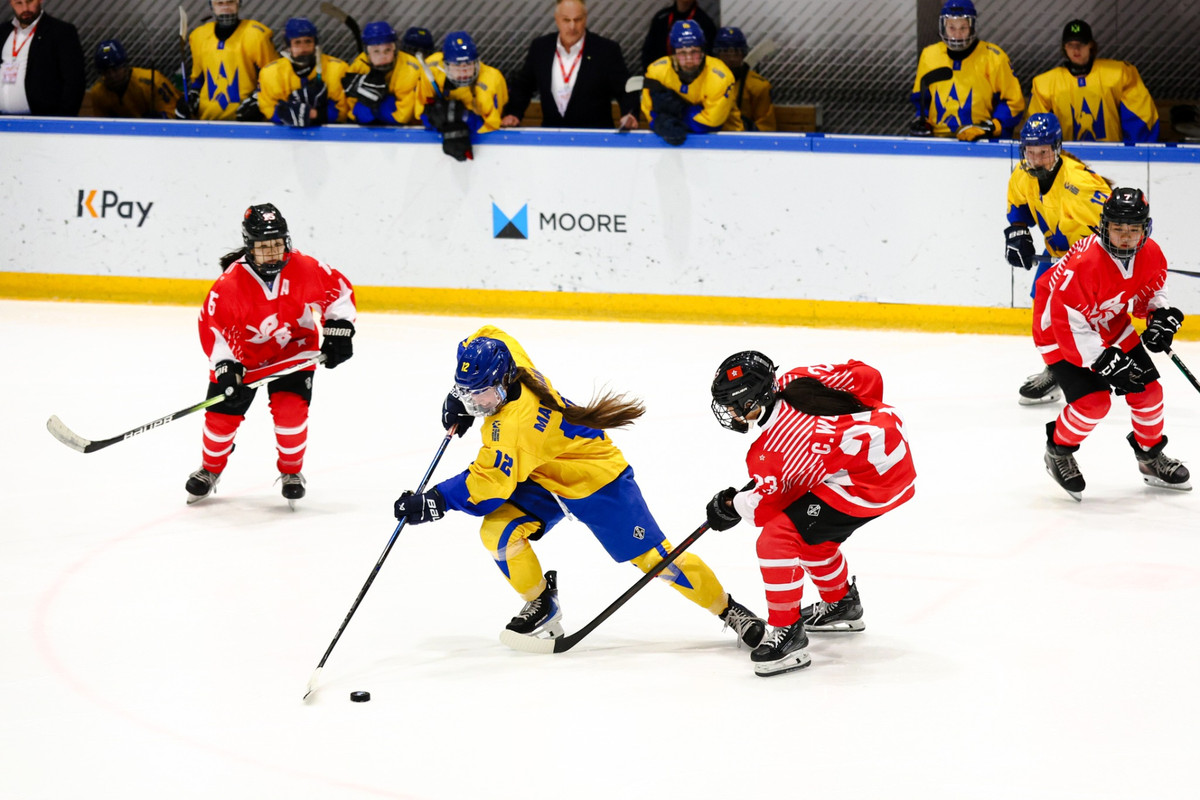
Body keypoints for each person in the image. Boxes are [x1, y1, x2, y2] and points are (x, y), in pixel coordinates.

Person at [392, 326, 767, 649]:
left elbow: (486, 486)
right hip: (543, 474)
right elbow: (489, 332)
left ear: (504, 382)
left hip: (597, 480)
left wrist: (435, 500)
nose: (476, 403)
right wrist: (460, 396)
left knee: (657, 561)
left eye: (482, 395)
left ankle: (730, 610)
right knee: (498, 534)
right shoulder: (510, 361)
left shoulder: (514, 428)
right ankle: (542, 604)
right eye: (469, 393)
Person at [704, 351, 916, 677]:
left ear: (750, 401)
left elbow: (763, 509)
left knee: (776, 539)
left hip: (869, 485)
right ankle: (842, 603)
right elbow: (868, 376)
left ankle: (788, 633)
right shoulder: (799, 377)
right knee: (811, 534)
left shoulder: (772, 450)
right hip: (888, 455)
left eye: (731, 403)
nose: (728, 410)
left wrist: (731, 505)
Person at [185, 204, 356, 507]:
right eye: (264, 247)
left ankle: (291, 472)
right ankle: (210, 469)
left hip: (293, 350)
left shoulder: (304, 267)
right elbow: (216, 330)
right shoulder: (229, 286)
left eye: (277, 244)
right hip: (244, 358)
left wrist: (339, 329)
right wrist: (226, 368)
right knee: (221, 418)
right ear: (249, 247)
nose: (273, 253)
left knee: (291, 412)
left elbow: (337, 293)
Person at [1033, 188, 1190, 500]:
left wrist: (1158, 318)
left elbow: (1151, 290)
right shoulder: (1084, 263)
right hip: (1060, 331)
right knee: (1094, 403)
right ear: (1104, 226)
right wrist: (1102, 360)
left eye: (1133, 229)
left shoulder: (1151, 252)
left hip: (1108, 321)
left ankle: (1150, 457)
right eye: (1118, 228)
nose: (1126, 237)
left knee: (1148, 392)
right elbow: (1066, 319)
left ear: (1145, 229)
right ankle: (1058, 451)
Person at [1005, 113, 1111, 405]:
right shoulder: (1023, 173)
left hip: (1091, 260)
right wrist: (1017, 232)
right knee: (1044, 317)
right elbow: (1018, 206)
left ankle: (1093, 370)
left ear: (1057, 148)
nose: (1036, 159)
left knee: (1078, 320)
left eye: (1043, 152)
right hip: (1056, 258)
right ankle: (1057, 371)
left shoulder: (1079, 183)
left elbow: (1122, 221)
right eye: (1030, 152)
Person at [500, 0, 638, 131]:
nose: (572, 26)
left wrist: (629, 114)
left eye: (578, 20)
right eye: (566, 20)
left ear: (585, 19)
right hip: (552, 137)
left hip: (595, 139)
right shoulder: (541, 48)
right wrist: (513, 114)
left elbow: (626, 89)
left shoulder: (605, 50)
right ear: (557, 19)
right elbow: (523, 87)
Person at [1028, 19, 1159, 145]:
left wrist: (1130, 154)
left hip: (1112, 156)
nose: (1076, 50)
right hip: (1066, 158)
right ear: (1064, 47)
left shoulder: (1120, 74)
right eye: (1070, 45)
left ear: (1091, 45)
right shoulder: (1045, 84)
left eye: (1081, 44)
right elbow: (1037, 130)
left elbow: (1141, 118)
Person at [909, 0, 1023, 141]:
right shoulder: (929, 55)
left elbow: (1013, 103)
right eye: (952, 27)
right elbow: (921, 99)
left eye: (963, 28)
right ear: (943, 26)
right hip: (937, 141)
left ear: (972, 27)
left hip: (981, 141)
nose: (957, 35)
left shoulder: (993, 57)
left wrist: (989, 128)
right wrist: (922, 121)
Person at [641, 20, 742, 147]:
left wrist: (676, 114)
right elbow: (648, 110)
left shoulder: (721, 76)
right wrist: (659, 123)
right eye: (682, 53)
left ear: (703, 52)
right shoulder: (656, 72)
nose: (689, 59)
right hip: (672, 140)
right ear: (673, 54)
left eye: (694, 52)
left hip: (728, 142)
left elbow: (712, 122)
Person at [415, 31, 508, 161]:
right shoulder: (432, 69)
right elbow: (421, 112)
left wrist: (466, 118)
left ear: (476, 63)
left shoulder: (491, 80)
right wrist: (434, 117)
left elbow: (493, 125)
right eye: (457, 66)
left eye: (468, 64)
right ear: (445, 65)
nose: (463, 72)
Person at [184, 0, 278, 120]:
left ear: (238, 3)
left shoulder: (257, 35)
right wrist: (194, 93)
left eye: (230, 2)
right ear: (212, 6)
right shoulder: (199, 36)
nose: (225, 7)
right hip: (207, 118)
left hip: (246, 120)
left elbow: (273, 78)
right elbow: (199, 77)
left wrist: (257, 99)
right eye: (220, 3)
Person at [257, 17, 348, 128]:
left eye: (308, 41)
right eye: (297, 42)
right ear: (288, 46)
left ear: (315, 43)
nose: (303, 48)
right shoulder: (270, 73)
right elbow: (268, 108)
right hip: (287, 133)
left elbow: (343, 110)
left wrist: (314, 114)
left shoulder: (338, 69)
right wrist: (287, 115)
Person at [0, 0, 84, 116]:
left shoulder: (61, 32)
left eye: (30, 1)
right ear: (11, 3)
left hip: (43, 120)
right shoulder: (3, 32)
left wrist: (62, 120)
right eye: (19, 3)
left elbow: (74, 81)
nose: (25, 8)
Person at [341, 20, 421, 126]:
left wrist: (378, 109)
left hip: (401, 121)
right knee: (363, 108)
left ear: (395, 50)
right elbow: (352, 111)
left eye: (387, 50)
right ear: (367, 53)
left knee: (388, 102)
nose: (382, 56)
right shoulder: (359, 65)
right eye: (376, 51)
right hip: (370, 120)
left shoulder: (410, 68)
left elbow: (403, 116)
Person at [82, 39, 179, 119]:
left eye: (115, 69)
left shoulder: (152, 81)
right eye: (106, 72)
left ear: (125, 66)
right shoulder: (98, 93)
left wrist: (160, 117)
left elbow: (175, 113)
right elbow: (102, 125)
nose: (112, 75)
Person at [712, 26, 776, 132]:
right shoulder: (707, 83)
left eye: (736, 52)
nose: (731, 58)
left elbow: (766, 127)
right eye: (725, 51)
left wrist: (748, 131)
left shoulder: (758, 87)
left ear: (743, 54)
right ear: (717, 54)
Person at [641, 0, 716, 72]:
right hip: (663, 75)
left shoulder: (705, 22)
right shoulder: (662, 18)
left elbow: (708, 58)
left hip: (693, 75)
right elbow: (648, 53)